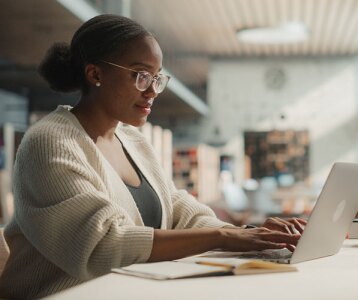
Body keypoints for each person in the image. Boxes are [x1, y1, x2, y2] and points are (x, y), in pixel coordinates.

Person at [0, 14, 306, 299]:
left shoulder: (133, 140)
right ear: (95, 73)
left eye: (157, 78)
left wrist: (250, 236)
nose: (152, 91)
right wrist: (223, 238)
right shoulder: (50, 142)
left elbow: (178, 211)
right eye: (140, 76)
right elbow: (102, 244)